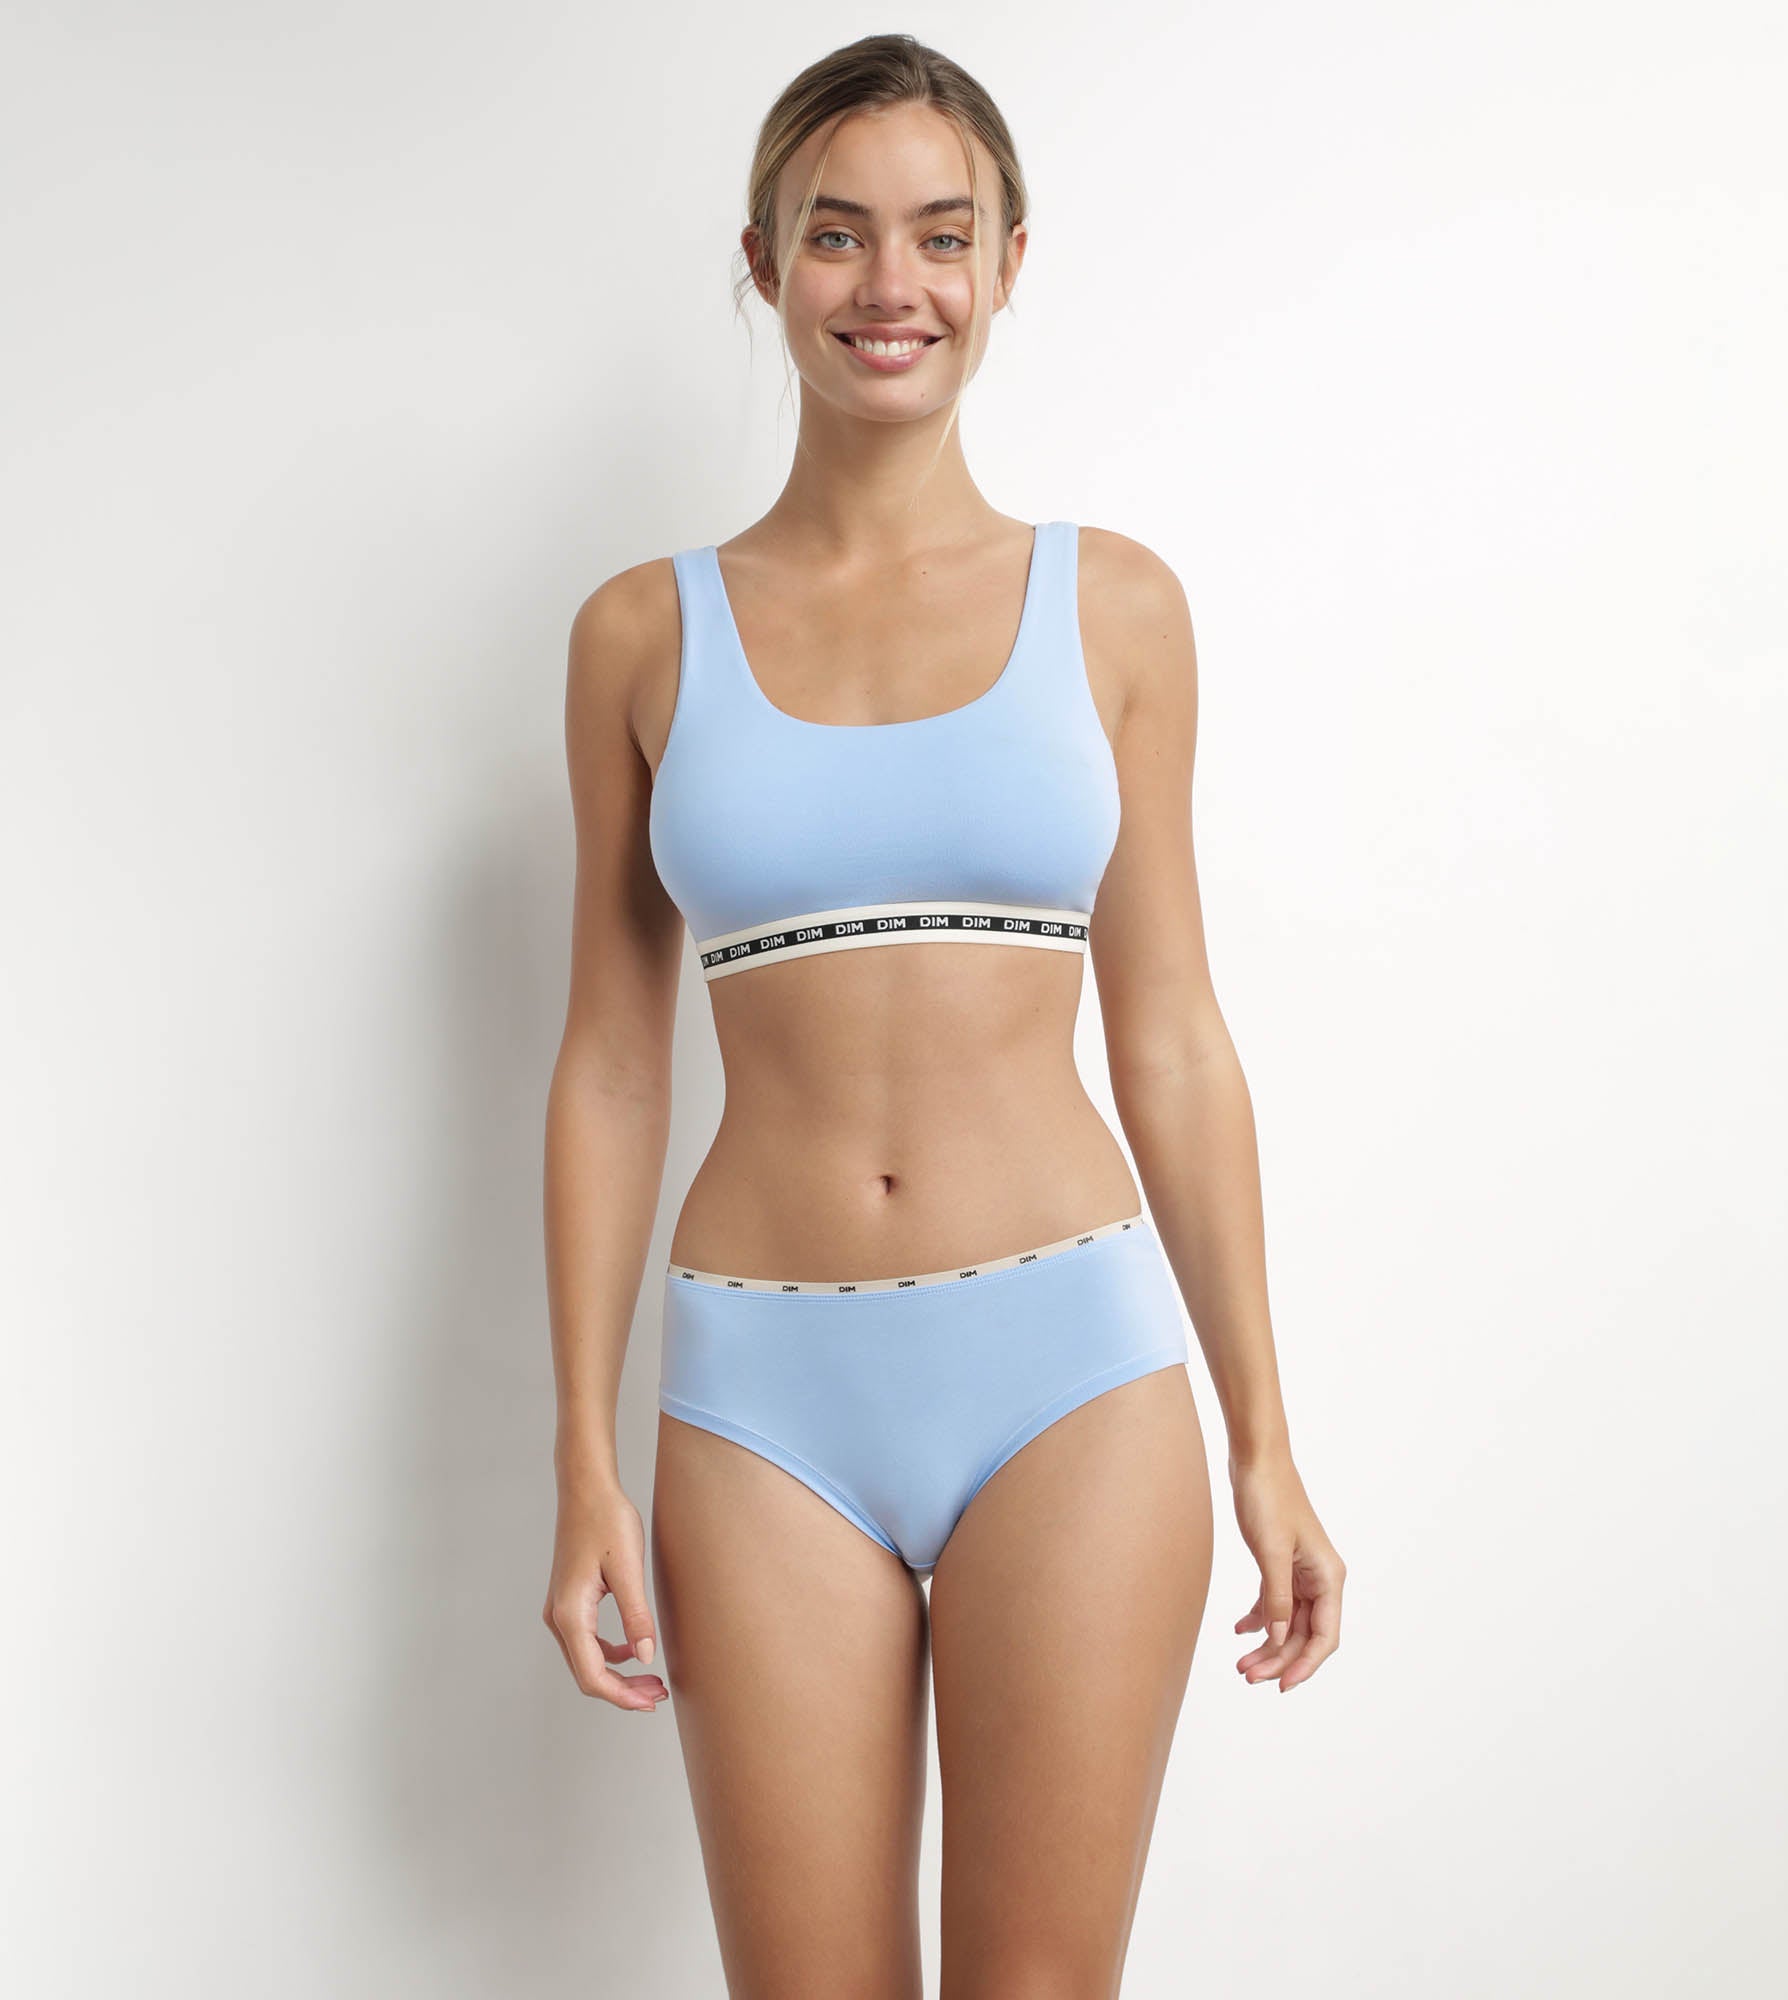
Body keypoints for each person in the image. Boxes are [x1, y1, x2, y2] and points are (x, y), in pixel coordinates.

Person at [542, 31, 1344, 1996]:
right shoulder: (643, 633)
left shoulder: (1116, 609)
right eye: (836, 234)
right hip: (761, 1393)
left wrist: (1265, 1434)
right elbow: (615, 1061)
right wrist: (579, 1456)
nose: (888, 282)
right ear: (763, 263)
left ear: (1006, 264)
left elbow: (1173, 1035)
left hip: (1067, 1373)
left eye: (939, 233)